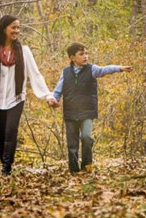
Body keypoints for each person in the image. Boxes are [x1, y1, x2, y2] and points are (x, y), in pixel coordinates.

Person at [0, 15, 57, 175]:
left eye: (18, 28)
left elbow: (35, 74)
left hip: (16, 98)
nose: (16, 31)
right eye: (13, 27)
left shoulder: (24, 51)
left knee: (11, 131)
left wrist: (47, 95)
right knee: (1, 135)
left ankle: (7, 168)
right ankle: (4, 163)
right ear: (4, 28)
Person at [52, 42, 132, 174]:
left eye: (86, 53)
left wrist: (119, 68)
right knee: (72, 145)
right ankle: (73, 170)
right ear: (72, 57)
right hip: (70, 112)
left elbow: (105, 69)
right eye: (81, 54)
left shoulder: (92, 69)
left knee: (87, 137)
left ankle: (86, 167)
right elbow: (57, 90)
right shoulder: (65, 72)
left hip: (87, 111)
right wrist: (54, 100)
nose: (85, 56)